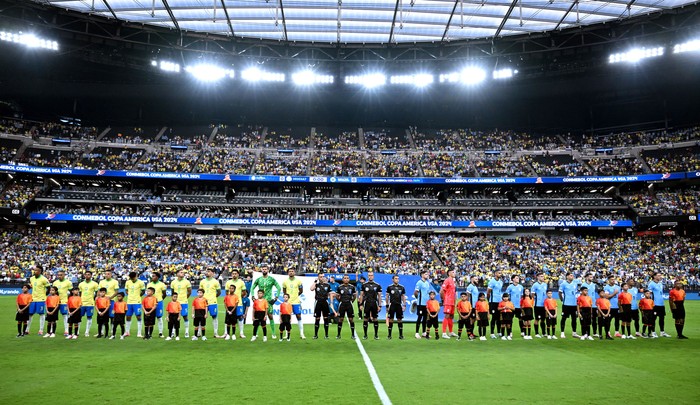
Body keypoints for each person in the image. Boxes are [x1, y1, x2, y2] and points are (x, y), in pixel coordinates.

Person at [250, 264, 281, 339]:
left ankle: (273, 333)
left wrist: (276, 297)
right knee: (257, 317)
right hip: (259, 301)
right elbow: (252, 288)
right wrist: (253, 296)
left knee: (270, 316)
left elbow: (279, 288)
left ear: (268, 270)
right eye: (263, 269)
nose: (264, 270)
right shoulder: (259, 279)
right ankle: (256, 333)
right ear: (261, 270)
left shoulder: (271, 279)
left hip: (268, 301)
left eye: (265, 269)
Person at [27, 265, 50, 336]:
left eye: (36, 270)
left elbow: (49, 288)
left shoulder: (44, 279)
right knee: (30, 314)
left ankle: (41, 330)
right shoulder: (31, 278)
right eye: (34, 270)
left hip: (41, 299)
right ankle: (27, 329)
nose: (34, 271)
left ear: (40, 271)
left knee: (41, 314)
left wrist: (44, 295)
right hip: (33, 299)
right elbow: (31, 286)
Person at [282, 268, 305, 339]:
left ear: (294, 272)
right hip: (288, 303)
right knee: (286, 318)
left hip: (296, 302)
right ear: (288, 273)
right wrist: (288, 298)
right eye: (290, 271)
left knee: (298, 316)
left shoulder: (298, 281)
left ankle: (302, 334)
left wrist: (295, 296)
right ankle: (286, 334)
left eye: (292, 271)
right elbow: (284, 291)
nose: (291, 272)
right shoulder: (285, 282)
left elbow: (301, 291)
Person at [310, 273, 334, 339]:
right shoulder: (316, 285)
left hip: (325, 302)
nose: (322, 278)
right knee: (317, 318)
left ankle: (326, 335)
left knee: (326, 318)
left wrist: (331, 302)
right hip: (318, 302)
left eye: (323, 277)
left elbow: (331, 293)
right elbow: (311, 289)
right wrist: (315, 281)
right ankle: (315, 335)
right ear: (318, 277)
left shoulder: (327, 285)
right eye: (320, 277)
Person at [647, 272, 671, 338]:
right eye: (658, 275)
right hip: (655, 304)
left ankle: (662, 332)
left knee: (662, 318)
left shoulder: (661, 284)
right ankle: (653, 332)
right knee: (653, 318)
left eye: (660, 275)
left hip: (661, 303)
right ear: (654, 277)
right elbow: (649, 294)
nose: (660, 277)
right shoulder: (651, 284)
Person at [224, 269, 246, 339]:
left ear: (238, 274)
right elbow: (226, 293)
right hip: (230, 304)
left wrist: (238, 297)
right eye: (233, 273)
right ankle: (226, 333)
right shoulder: (228, 282)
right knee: (228, 319)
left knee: (240, 318)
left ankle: (241, 333)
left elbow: (244, 292)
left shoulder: (241, 282)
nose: (234, 275)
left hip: (238, 304)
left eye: (235, 273)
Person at [170, 270, 192, 338]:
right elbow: (172, 292)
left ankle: (186, 332)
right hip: (176, 303)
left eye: (183, 272)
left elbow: (189, 291)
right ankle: (173, 332)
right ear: (177, 274)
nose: (183, 273)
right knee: (174, 317)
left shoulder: (187, 282)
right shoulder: (173, 282)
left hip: (184, 302)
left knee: (185, 316)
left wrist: (185, 298)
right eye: (181, 272)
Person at [360, 271, 382, 340]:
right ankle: (365, 335)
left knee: (375, 318)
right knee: (366, 318)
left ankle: (376, 335)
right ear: (367, 276)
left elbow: (379, 296)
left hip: (374, 303)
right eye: (369, 275)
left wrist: (380, 305)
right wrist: (361, 304)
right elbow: (361, 295)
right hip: (367, 303)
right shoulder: (364, 285)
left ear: (373, 276)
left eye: (371, 275)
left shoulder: (377, 285)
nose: (370, 276)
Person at [200, 269, 222, 338]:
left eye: (209, 271)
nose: (207, 272)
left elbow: (219, 292)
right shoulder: (202, 281)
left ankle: (215, 333)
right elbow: (200, 291)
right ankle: (199, 332)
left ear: (213, 273)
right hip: (203, 302)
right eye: (206, 271)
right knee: (201, 317)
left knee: (214, 317)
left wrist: (214, 297)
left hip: (212, 302)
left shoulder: (215, 282)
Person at [558, 272, 580, 339]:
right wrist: (562, 300)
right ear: (567, 276)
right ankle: (562, 332)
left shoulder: (575, 283)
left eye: (572, 275)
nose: (572, 276)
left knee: (574, 319)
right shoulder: (563, 284)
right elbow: (560, 292)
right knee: (564, 318)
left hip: (573, 304)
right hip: (566, 304)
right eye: (571, 275)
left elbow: (576, 292)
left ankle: (574, 332)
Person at [335, 274, 357, 339]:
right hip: (342, 304)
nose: (346, 279)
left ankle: (353, 334)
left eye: (347, 278)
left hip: (349, 304)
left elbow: (355, 296)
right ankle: (338, 334)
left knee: (351, 319)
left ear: (349, 279)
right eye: (345, 278)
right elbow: (337, 296)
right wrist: (340, 301)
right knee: (341, 319)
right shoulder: (340, 287)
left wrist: (351, 301)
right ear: (342, 279)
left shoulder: (352, 287)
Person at [78, 270, 99, 337]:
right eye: (86, 274)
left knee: (89, 317)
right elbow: (80, 293)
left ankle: (87, 331)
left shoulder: (95, 284)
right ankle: (77, 331)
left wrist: (94, 299)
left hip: (90, 303)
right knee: (79, 317)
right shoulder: (81, 284)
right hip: (82, 303)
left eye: (88, 274)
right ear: (84, 275)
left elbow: (97, 293)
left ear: (91, 275)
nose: (87, 276)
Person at [146, 272, 167, 338]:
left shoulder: (162, 284)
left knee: (159, 317)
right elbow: (148, 294)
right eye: (152, 276)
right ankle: (149, 333)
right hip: (150, 303)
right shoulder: (149, 284)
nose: (152, 277)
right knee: (150, 318)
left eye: (153, 276)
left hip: (159, 303)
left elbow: (164, 294)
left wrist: (160, 300)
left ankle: (160, 333)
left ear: (157, 277)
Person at [125, 271, 145, 337]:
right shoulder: (127, 282)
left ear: (136, 276)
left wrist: (138, 296)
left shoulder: (141, 282)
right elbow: (126, 290)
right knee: (128, 316)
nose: (132, 279)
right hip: (129, 302)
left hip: (137, 302)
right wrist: (130, 295)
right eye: (131, 278)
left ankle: (139, 333)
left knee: (138, 316)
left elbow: (143, 291)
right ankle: (127, 332)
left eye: (133, 278)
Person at [52, 270, 73, 336]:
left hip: (64, 301)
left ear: (64, 275)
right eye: (58, 275)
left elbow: (71, 292)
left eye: (61, 275)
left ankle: (66, 330)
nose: (59, 276)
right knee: (54, 317)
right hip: (55, 302)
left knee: (65, 316)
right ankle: (52, 330)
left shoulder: (68, 282)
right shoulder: (55, 282)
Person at [98, 269, 120, 333]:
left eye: (108, 274)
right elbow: (99, 291)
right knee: (102, 316)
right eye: (106, 274)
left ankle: (112, 331)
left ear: (111, 275)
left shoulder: (115, 282)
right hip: (102, 301)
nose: (107, 275)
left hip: (112, 301)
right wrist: (98, 297)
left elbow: (116, 292)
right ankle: (101, 331)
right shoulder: (101, 282)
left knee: (112, 316)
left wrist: (110, 298)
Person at [386, 274, 406, 340]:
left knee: (399, 320)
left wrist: (404, 305)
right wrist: (387, 305)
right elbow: (387, 296)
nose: (397, 280)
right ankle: (389, 335)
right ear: (393, 279)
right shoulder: (389, 287)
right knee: (391, 319)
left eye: (398, 278)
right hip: (392, 305)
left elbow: (403, 296)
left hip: (399, 305)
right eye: (395, 278)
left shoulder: (402, 287)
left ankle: (401, 335)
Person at [440, 269, 457, 339]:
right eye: (453, 272)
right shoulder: (447, 280)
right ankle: (444, 333)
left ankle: (450, 332)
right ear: (449, 273)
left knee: (451, 316)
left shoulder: (453, 281)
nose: (454, 273)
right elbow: (441, 291)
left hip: (452, 301)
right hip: (448, 301)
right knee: (447, 315)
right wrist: (444, 299)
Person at [413, 270, 431, 339]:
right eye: (426, 274)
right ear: (422, 275)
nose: (427, 275)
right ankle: (417, 333)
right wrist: (418, 299)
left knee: (425, 319)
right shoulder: (419, 283)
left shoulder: (427, 283)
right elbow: (415, 292)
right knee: (419, 318)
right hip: (420, 304)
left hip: (426, 304)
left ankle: (424, 332)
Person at [486, 269, 504, 339]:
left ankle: (499, 331)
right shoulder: (492, 281)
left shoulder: (501, 282)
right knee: (494, 317)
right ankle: (492, 333)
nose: (500, 274)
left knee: (499, 317)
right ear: (495, 274)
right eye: (499, 273)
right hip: (493, 301)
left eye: (500, 273)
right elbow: (488, 292)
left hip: (499, 302)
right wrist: (489, 301)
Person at [581, 273, 599, 337]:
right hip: (586, 305)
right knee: (586, 319)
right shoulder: (583, 284)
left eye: (592, 277)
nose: (592, 278)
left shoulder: (594, 285)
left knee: (594, 319)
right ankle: (585, 333)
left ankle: (594, 332)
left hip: (593, 304)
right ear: (587, 277)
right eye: (590, 277)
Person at [531, 273, 548, 338]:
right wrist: (536, 299)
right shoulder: (535, 285)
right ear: (537, 277)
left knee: (543, 319)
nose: (542, 278)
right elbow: (532, 294)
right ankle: (536, 333)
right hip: (537, 305)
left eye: (543, 276)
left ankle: (544, 333)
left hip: (544, 305)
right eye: (541, 276)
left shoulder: (545, 284)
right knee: (537, 319)